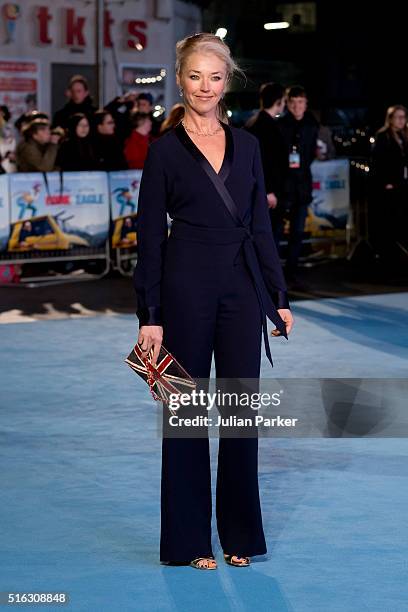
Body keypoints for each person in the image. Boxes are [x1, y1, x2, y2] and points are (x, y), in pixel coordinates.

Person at [133, 32, 293, 571]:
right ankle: (189, 541)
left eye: (215, 76)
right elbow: (150, 238)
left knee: (241, 413)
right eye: (195, 76)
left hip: (243, 289)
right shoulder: (162, 153)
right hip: (182, 290)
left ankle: (240, 536)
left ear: (227, 83)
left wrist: (278, 296)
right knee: (186, 415)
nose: (205, 86)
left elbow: (262, 227)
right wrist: (149, 317)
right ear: (181, 80)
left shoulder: (248, 146)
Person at [274, 85, 319, 286]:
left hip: (302, 187)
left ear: (306, 103)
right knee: (276, 232)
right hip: (283, 187)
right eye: (293, 103)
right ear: (287, 104)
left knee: (297, 232)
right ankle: (274, 277)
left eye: (300, 102)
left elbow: (310, 154)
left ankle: (291, 273)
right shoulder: (280, 125)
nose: (297, 106)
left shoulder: (311, 124)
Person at [370, 104, 408, 259]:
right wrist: (385, 181)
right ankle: (386, 252)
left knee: (400, 216)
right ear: (390, 119)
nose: (401, 120)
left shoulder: (404, 135)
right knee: (389, 217)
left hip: (402, 182)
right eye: (397, 117)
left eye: (403, 117)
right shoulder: (383, 136)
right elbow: (378, 161)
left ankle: (398, 250)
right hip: (388, 183)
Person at [245, 82, 286, 218]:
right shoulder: (269, 127)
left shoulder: (252, 122)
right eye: (284, 100)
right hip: (267, 193)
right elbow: (266, 161)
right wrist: (269, 191)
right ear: (278, 101)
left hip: (256, 189)